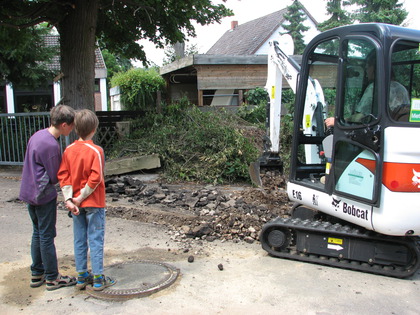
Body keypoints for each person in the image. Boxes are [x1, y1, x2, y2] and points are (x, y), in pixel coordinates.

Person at [19, 104, 77, 291]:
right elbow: (55, 176)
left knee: (38, 232)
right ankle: (53, 277)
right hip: (43, 195)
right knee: (47, 235)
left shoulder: (38, 135)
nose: (73, 128)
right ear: (64, 125)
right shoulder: (51, 145)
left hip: (29, 192)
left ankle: (37, 273)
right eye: (72, 125)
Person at [57, 109, 115, 291]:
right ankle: (98, 278)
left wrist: (69, 199)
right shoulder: (96, 151)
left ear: (75, 129)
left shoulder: (68, 150)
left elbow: (63, 175)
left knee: (79, 239)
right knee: (96, 239)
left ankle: (81, 276)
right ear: (94, 129)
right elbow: (96, 178)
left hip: (75, 204)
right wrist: (81, 197)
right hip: (93, 203)